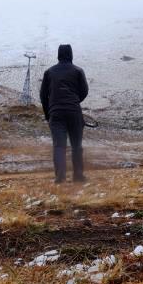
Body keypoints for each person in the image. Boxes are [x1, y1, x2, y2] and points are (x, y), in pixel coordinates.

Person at [40, 44, 88, 183]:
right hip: (74, 112)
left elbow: (43, 96)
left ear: (58, 55)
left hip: (56, 113)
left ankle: (60, 177)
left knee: (59, 146)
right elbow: (84, 91)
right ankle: (78, 176)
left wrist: (48, 114)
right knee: (76, 145)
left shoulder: (49, 72)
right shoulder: (78, 71)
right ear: (71, 54)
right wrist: (74, 101)